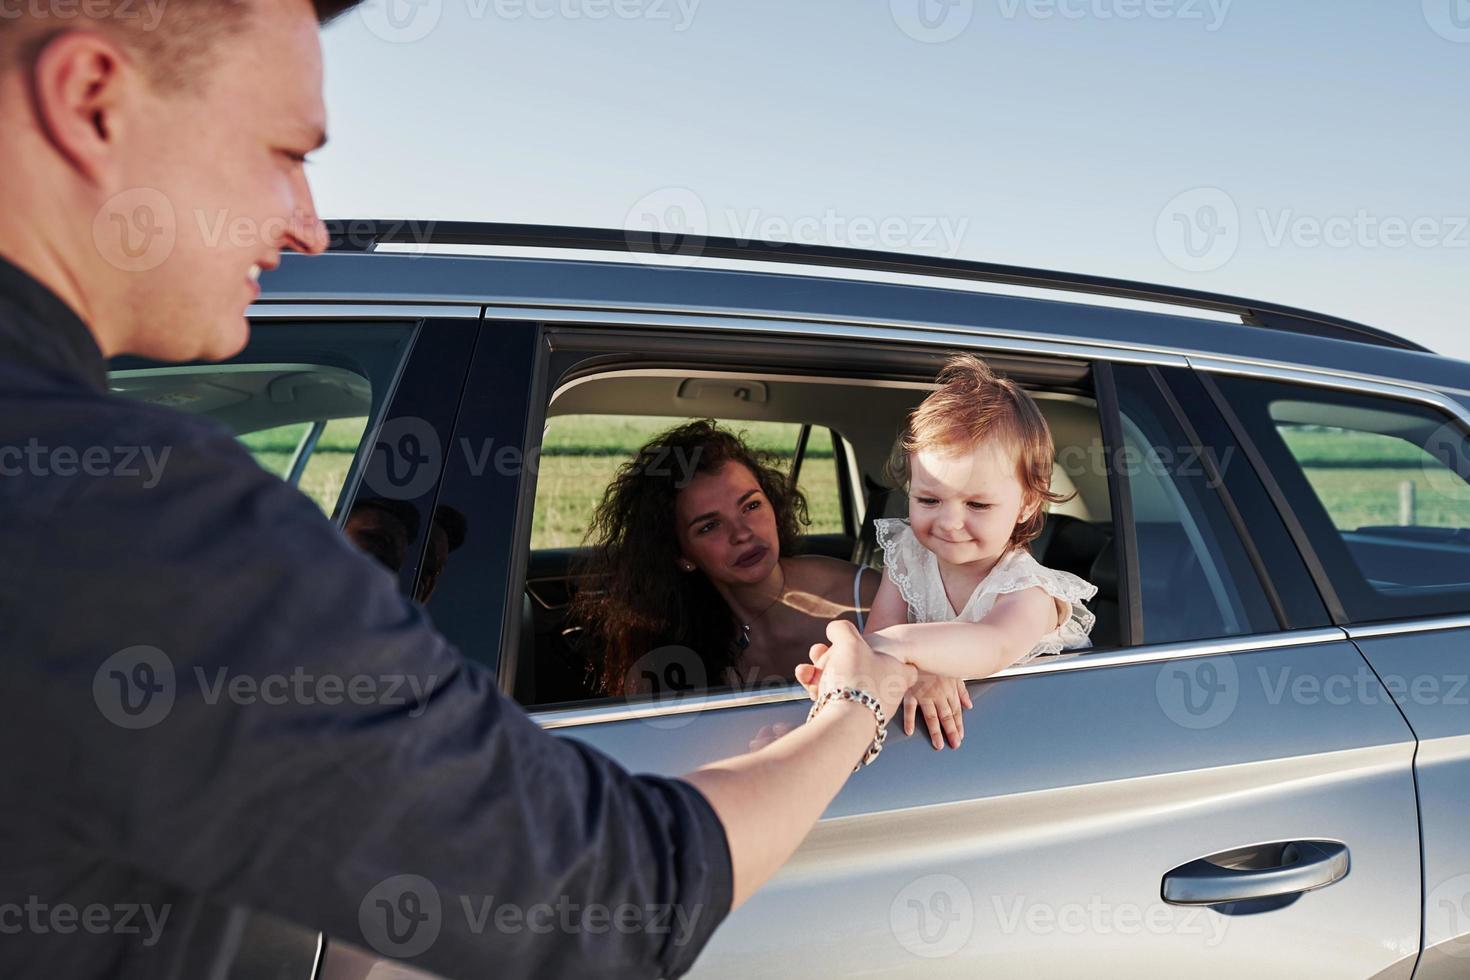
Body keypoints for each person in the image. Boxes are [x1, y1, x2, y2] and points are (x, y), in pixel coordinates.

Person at [0, 4, 916, 979]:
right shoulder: (154, 529)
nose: (306, 225)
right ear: (90, 101)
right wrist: (862, 701)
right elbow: (618, 900)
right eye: (285, 151)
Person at [797, 354, 1098, 750]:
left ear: (1027, 503)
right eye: (928, 500)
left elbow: (991, 644)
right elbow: (879, 633)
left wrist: (899, 649)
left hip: (1043, 738)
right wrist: (911, 670)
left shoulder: (1029, 591)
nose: (949, 522)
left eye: (977, 505)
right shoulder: (908, 556)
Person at [574, 419, 880, 697]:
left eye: (751, 506)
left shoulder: (866, 598)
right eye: (709, 526)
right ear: (682, 555)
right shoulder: (672, 647)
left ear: (773, 506)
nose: (742, 533)